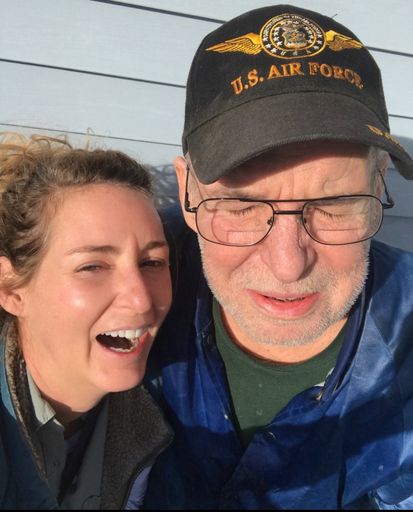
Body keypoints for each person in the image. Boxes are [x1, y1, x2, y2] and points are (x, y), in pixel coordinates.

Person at [143, 4, 413, 510]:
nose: (289, 266)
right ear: (186, 190)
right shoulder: (118, 287)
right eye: (241, 207)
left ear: (379, 184)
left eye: (334, 205)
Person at [0, 133, 173, 509]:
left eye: (152, 262)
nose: (141, 299)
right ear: (11, 290)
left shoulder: (166, 406)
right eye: (93, 266)